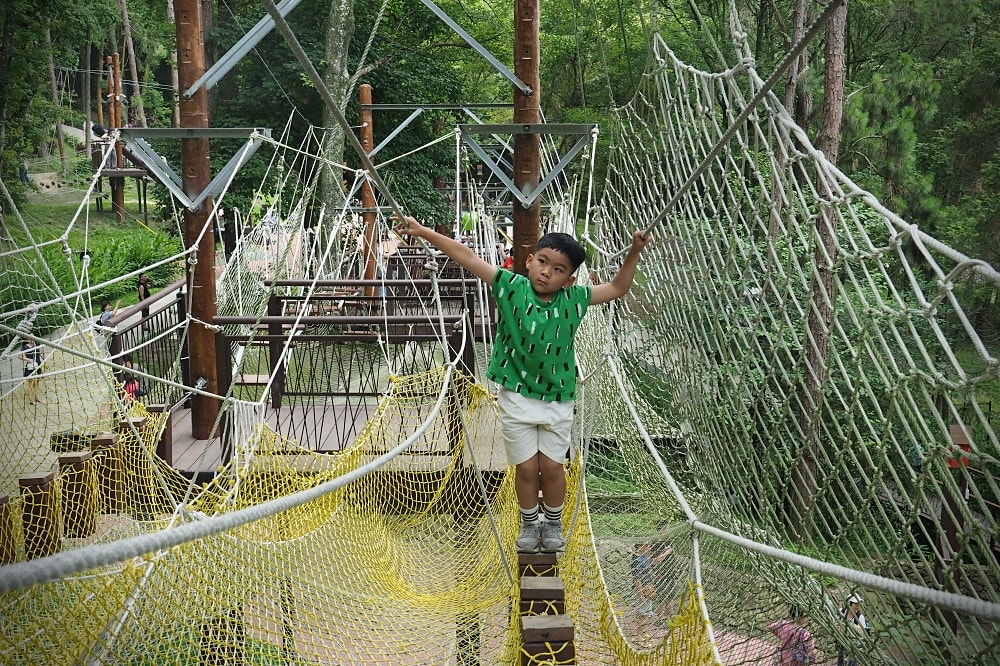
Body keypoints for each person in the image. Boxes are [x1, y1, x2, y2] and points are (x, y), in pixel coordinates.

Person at [394, 214, 651, 553]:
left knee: (553, 467)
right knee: (527, 468)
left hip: (558, 399)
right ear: (529, 261)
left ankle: (553, 521)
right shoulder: (510, 288)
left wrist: (634, 251)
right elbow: (467, 257)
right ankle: (530, 523)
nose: (547, 272)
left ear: (570, 280)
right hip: (516, 396)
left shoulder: (574, 300)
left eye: (558, 269)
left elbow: (619, 288)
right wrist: (423, 230)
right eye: (543, 262)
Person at [837, 594, 869, 666]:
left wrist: (852, 625)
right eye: (856, 604)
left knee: (852, 661)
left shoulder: (860, 617)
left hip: (855, 644)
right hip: (843, 640)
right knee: (840, 658)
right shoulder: (841, 611)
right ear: (849, 603)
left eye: (859, 604)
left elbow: (862, 633)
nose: (858, 606)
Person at [20, 339, 45, 405]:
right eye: (30, 337)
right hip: (30, 367)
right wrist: (28, 359)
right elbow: (19, 356)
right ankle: (31, 400)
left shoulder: (37, 344)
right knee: (30, 385)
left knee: (37, 383)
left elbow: (41, 353)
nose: (33, 338)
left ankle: (38, 398)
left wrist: (45, 361)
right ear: (27, 339)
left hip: (37, 366)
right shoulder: (24, 347)